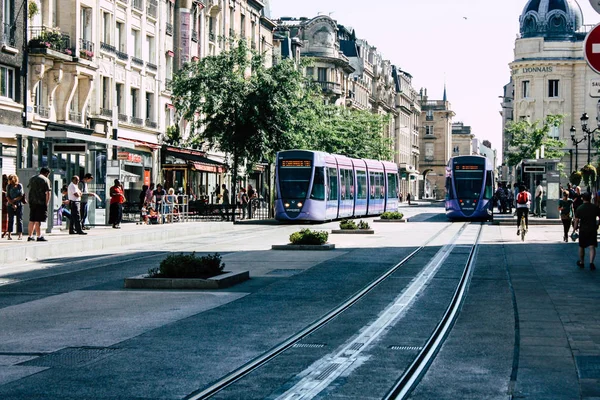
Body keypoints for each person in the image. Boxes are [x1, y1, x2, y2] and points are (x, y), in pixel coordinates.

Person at [574, 192, 600, 270]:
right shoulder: (594, 207)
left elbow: (576, 220)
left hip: (583, 230)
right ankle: (591, 262)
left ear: (583, 199)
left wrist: (575, 229)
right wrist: (598, 224)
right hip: (592, 229)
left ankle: (582, 262)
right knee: (592, 246)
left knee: (581, 246)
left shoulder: (580, 208)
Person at [27, 167, 51, 242]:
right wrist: (47, 203)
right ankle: (39, 236)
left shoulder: (32, 178)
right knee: (38, 220)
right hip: (41, 202)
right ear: (47, 173)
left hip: (32, 202)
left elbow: (29, 189)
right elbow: (48, 192)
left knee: (32, 219)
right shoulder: (45, 179)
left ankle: (30, 236)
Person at [6, 174, 24, 240]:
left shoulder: (19, 185)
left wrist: (15, 200)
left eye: (11, 179)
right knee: (10, 219)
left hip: (19, 204)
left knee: (19, 219)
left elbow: (21, 195)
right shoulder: (9, 186)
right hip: (10, 204)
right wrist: (12, 203)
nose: (10, 181)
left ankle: (20, 234)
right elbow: (7, 196)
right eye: (9, 179)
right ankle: (9, 234)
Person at [1, 174, 7, 238]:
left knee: (5, 218)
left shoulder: (7, 186)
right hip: (4, 203)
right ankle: (4, 232)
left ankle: (5, 232)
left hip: (5, 203)